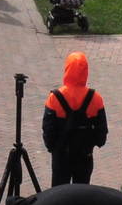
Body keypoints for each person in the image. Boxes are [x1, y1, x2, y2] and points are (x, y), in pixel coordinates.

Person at [41, 52, 110, 186]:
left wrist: (52, 148)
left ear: (67, 69)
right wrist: (92, 143)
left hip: (61, 156)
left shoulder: (54, 97)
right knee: (82, 197)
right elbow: (102, 133)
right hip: (84, 156)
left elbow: (48, 129)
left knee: (59, 197)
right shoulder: (95, 98)